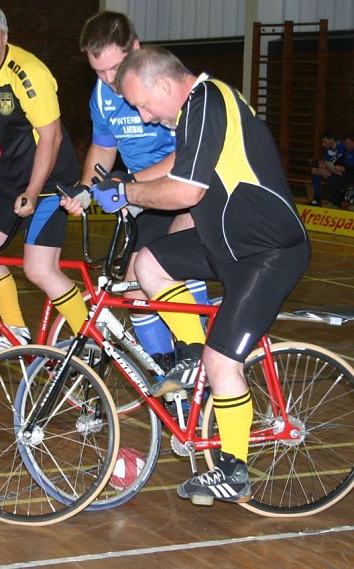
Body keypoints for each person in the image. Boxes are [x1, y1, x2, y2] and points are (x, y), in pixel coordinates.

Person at [90, 46, 310, 505]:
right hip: (226, 245)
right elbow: (175, 166)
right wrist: (120, 187)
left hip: (266, 253)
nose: (146, 118)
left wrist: (129, 192)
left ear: (167, 86)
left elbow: (186, 188)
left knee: (223, 362)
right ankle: (189, 352)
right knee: (149, 262)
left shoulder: (207, 101)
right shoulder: (197, 110)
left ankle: (234, 467)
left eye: (144, 104)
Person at [63, 10, 210, 374]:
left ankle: (205, 366)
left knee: (171, 268)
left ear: (136, 48)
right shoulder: (102, 95)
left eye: (115, 67)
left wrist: (128, 186)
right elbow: (102, 147)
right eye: (98, 71)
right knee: (132, 293)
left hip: (182, 191)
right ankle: (168, 375)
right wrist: (86, 188)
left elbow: (187, 156)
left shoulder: (159, 85)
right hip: (141, 197)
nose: (109, 79)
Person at [0, 0, 88, 358]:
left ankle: (89, 338)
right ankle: (15, 332)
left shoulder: (29, 72)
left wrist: (32, 191)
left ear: (6, 36)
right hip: (11, 183)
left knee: (39, 268)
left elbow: (52, 137)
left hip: (49, 183)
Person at [307, 131, 344, 206]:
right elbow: (325, 163)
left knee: (328, 173)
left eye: (325, 142)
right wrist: (316, 164)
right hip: (332, 171)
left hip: (343, 172)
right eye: (322, 142)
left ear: (332, 139)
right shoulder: (328, 150)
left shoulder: (342, 147)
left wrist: (323, 165)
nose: (323, 144)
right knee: (314, 170)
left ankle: (336, 198)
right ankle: (317, 198)